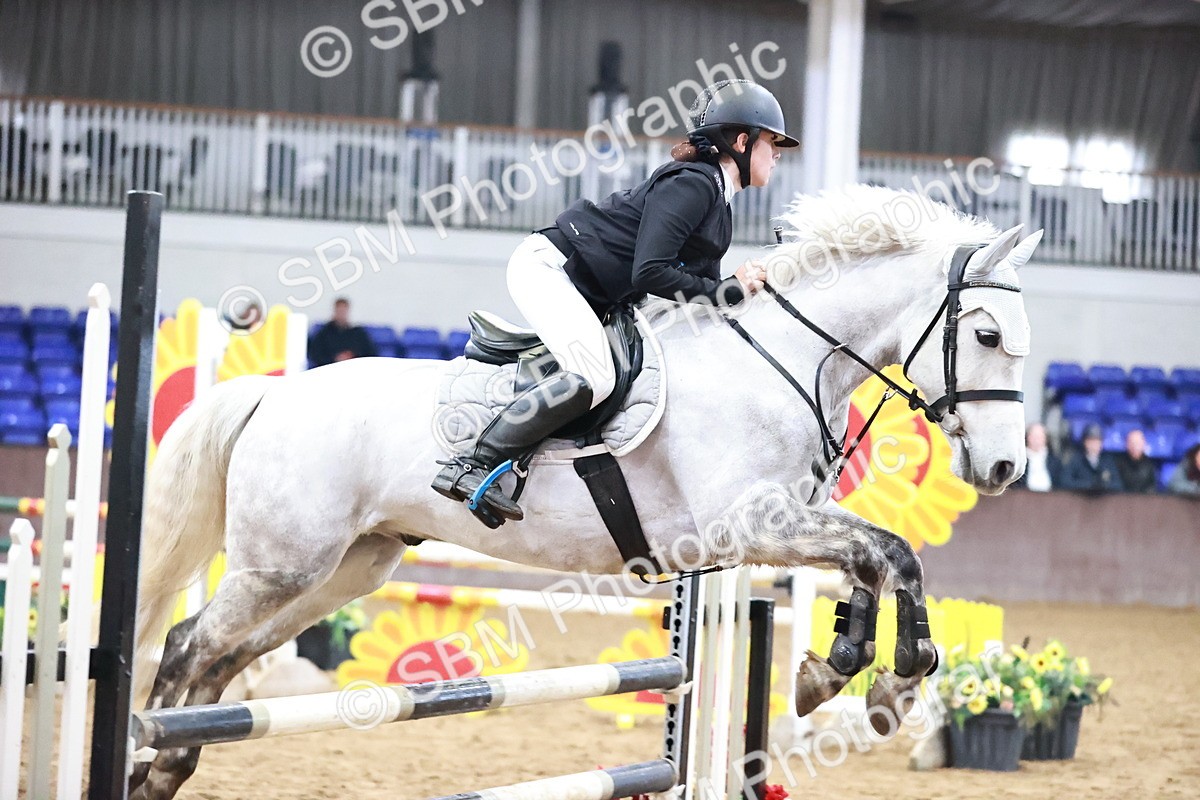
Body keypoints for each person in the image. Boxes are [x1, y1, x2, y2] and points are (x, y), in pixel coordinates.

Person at [432, 79, 798, 524]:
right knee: (596, 376)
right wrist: (728, 289)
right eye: (771, 142)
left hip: (590, 289)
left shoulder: (719, 200)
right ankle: (471, 464)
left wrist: (749, 289)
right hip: (550, 268)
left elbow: (705, 292)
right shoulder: (694, 184)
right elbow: (651, 272)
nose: (777, 154)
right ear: (742, 141)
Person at [1057, 424, 1124, 494]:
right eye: (1091, 440)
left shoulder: (1108, 461)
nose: (1094, 445)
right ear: (1085, 442)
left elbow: (1118, 484)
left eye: (1097, 441)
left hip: (1104, 502)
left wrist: (1102, 486)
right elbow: (1065, 482)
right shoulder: (1076, 460)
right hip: (1079, 501)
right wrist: (1088, 485)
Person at [309, 298, 376, 367]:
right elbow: (316, 354)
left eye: (343, 311)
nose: (341, 314)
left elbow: (370, 353)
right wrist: (335, 359)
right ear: (335, 311)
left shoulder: (358, 334)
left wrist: (352, 358)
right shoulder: (324, 334)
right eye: (339, 311)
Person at [1016, 422, 1059, 491]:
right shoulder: (1019, 460)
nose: (1036, 440)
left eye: (1040, 437)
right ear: (1027, 438)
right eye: (1033, 436)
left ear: (1046, 439)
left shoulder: (1054, 461)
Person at [1114, 429, 1158, 493]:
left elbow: (1152, 487)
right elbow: (1115, 486)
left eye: (1137, 443)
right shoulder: (1118, 463)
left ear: (1144, 444)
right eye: (1132, 443)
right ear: (1127, 445)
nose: (1135, 446)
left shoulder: (1150, 465)